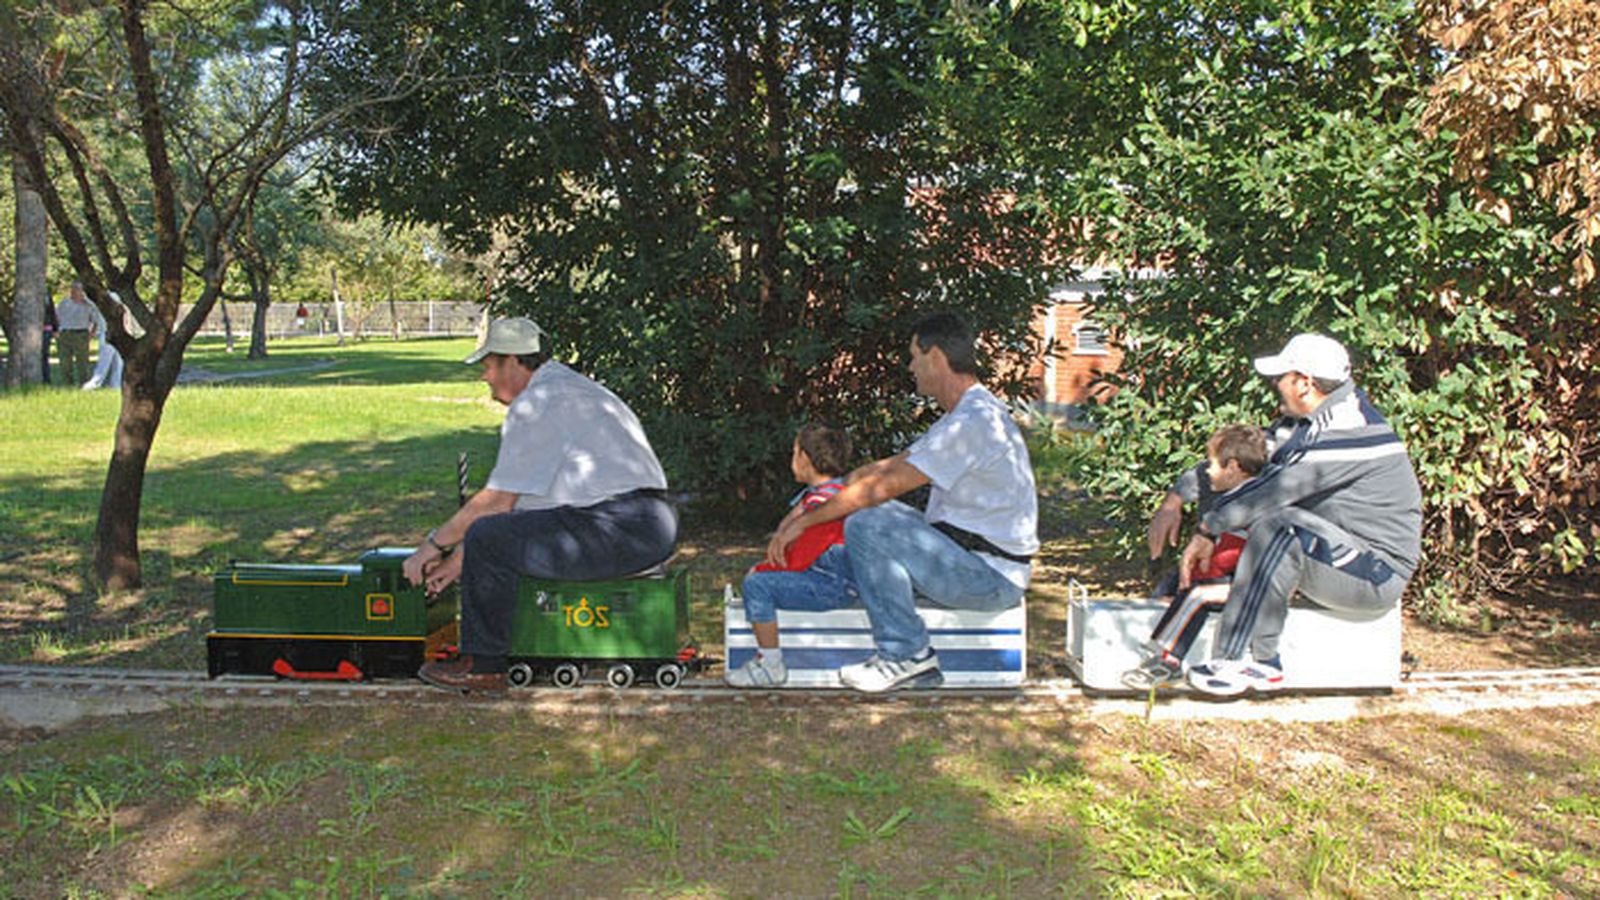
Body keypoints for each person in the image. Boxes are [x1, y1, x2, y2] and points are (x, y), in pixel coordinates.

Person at [766, 312, 1039, 693]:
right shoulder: (962, 416)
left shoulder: (972, 423)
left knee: (867, 522)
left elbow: (882, 489)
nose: (909, 366)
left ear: (936, 357)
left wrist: (804, 523)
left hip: (989, 576)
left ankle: (906, 655)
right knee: (863, 521)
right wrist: (813, 501)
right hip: (968, 561)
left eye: (913, 356)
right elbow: (881, 470)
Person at [401, 317, 677, 694]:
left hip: (621, 525)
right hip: (645, 522)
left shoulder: (538, 403)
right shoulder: (568, 390)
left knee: (486, 532)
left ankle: (484, 666)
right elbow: (520, 512)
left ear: (513, 361)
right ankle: (492, 654)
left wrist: (431, 547)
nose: (485, 377)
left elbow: (495, 503)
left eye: (487, 365)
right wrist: (454, 565)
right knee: (491, 536)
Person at [1146, 333, 1422, 698]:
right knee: (1265, 524)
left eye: (1283, 376)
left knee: (1277, 522)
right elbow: (1241, 464)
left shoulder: (1348, 431)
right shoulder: (1304, 424)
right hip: (1335, 553)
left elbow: (1272, 492)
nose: (1276, 384)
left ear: (1305, 384)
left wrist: (1208, 530)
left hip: (1375, 572)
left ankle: (1252, 662)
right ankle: (1182, 632)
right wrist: (1175, 499)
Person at [1120, 424, 1267, 690]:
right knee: (1186, 591)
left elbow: (1232, 555)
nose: (1206, 470)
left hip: (1250, 583)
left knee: (1197, 595)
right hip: (1226, 575)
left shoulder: (1249, 503)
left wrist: (1195, 582)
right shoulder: (1231, 496)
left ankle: (1168, 661)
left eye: (1211, 464)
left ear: (1233, 467)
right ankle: (1159, 650)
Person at [726, 423, 861, 688]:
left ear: (806, 459)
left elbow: (802, 556)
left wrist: (764, 570)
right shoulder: (822, 495)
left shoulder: (825, 504)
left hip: (832, 586)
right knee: (761, 580)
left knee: (757, 585)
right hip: (825, 579)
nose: (791, 459)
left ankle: (770, 663)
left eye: (794, 452)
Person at [54, 281, 98, 387]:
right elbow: (56, 318)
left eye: (77, 289)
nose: (74, 292)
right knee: (65, 362)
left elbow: (95, 321)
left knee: (82, 362)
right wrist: (56, 331)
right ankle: (67, 385)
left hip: (81, 334)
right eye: (73, 289)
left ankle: (84, 384)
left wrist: (91, 334)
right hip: (65, 334)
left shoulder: (88, 305)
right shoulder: (64, 303)